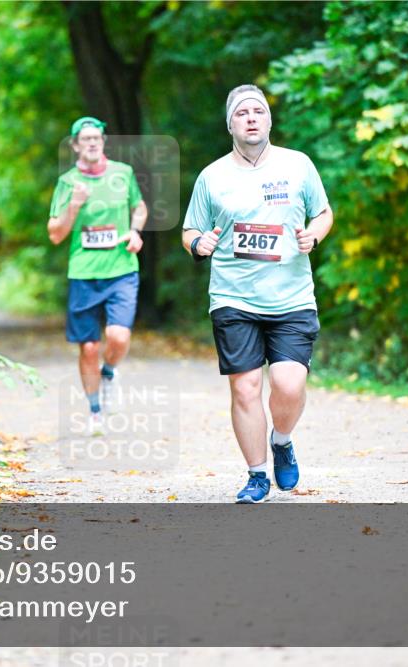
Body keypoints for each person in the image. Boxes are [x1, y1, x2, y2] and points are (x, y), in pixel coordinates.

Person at [181, 84, 334, 504]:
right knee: (245, 388)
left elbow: (323, 212)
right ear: (230, 123)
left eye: (259, 111)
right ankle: (256, 475)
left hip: (292, 297)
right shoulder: (212, 176)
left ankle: (281, 440)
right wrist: (199, 244)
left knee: (288, 383)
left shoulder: (298, 165)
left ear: (269, 120)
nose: (251, 118)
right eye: (242, 112)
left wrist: (313, 237)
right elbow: (190, 228)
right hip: (233, 297)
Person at [47, 116, 148, 432]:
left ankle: (110, 372)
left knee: (118, 336)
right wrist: (74, 206)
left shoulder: (123, 173)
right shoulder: (67, 182)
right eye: (86, 138)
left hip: (121, 269)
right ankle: (94, 412)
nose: (92, 142)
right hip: (83, 272)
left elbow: (140, 207)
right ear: (75, 145)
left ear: (103, 142)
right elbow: (55, 234)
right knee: (88, 346)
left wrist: (135, 232)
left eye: (98, 138)